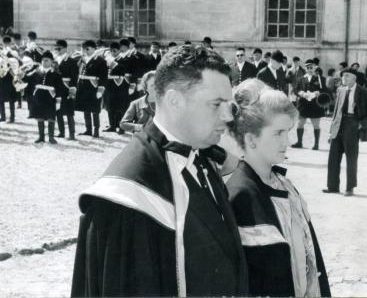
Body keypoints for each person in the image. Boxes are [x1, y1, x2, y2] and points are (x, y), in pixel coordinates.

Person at [71, 44, 248, 297]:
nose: (228, 117)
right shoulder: (127, 197)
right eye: (215, 104)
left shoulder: (202, 158)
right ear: (175, 101)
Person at [226, 79, 331, 297]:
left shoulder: (284, 185)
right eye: (278, 133)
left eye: (288, 131)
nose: (288, 141)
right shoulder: (239, 195)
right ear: (251, 139)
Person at [324, 68, 367, 196]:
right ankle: (332, 186)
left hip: (353, 125)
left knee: (351, 158)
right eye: (342, 76)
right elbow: (336, 111)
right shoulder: (341, 90)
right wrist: (331, 131)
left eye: (347, 76)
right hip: (339, 125)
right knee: (333, 157)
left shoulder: (364, 92)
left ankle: (350, 187)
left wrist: (361, 124)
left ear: (354, 78)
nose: (343, 78)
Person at [22, 51, 63, 143]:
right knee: (39, 116)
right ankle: (41, 137)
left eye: (47, 60)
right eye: (43, 60)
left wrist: (58, 101)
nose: (44, 62)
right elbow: (26, 79)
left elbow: (59, 89)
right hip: (38, 97)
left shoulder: (56, 74)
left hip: (50, 97)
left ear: (52, 62)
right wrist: (23, 71)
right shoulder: (36, 72)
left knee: (50, 117)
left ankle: (51, 137)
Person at [75, 40, 108, 138]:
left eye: (88, 49)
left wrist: (100, 89)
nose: (85, 51)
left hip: (93, 87)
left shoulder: (100, 61)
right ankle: (88, 129)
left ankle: (96, 130)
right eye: (84, 49)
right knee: (85, 109)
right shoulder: (82, 59)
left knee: (94, 109)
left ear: (94, 49)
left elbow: (103, 77)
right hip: (83, 86)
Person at [291, 60, 327, 150]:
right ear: (305, 69)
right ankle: (299, 142)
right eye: (308, 68)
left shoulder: (320, 79)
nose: (310, 69)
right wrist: (301, 93)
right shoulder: (301, 79)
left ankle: (316, 144)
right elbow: (295, 89)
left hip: (315, 105)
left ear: (315, 68)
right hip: (303, 104)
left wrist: (318, 92)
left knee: (316, 125)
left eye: (312, 67)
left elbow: (325, 90)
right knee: (300, 123)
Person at [54, 39, 79, 140]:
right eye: (56, 48)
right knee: (58, 111)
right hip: (57, 88)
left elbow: (74, 77)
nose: (57, 50)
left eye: (59, 48)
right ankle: (61, 132)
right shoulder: (55, 60)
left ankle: (72, 134)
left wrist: (72, 90)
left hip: (67, 88)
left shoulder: (71, 61)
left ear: (65, 48)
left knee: (69, 112)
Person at [103, 42, 130, 134]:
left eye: (114, 51)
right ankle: (112, 126)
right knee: (110, 106)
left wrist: (113, 63)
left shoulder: (124, 59)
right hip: (109, 85)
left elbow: (122, 70)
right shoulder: (107, 59)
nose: (112, 52)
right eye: (111, 51)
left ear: (119, 50)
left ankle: (122, 127)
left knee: (121, 107)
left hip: (120, 86)